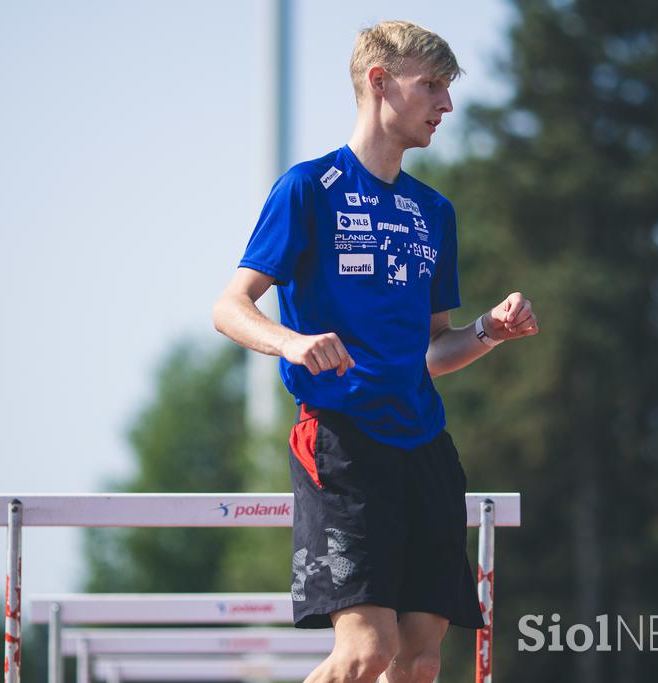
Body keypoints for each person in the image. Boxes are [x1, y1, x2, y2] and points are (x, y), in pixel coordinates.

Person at [212, 20, 538, 683]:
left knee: (419, 662)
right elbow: (230, 307)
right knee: (366, 652)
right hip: (344, 443)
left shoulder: (434, 211)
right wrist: (294, 342)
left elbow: (429, 350)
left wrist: (486, 332)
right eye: (433, 87)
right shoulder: (307, 188)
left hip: (426, 447)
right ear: (379, 82)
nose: (446, 105)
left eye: (448, 90)